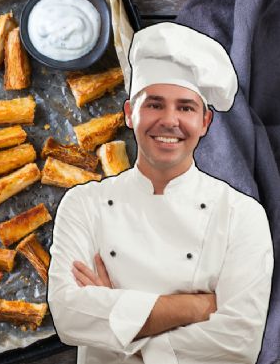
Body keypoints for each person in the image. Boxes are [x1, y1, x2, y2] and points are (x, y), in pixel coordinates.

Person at [47, 22, 273, 364]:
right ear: (128, 114)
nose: (170, 121)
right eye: (154, 105)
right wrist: (197, 306)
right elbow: (68, 316)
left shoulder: (243, 216)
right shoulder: (82, 205)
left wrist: (119, 321)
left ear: (205, 123)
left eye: (186, 107)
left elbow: (238, 343)